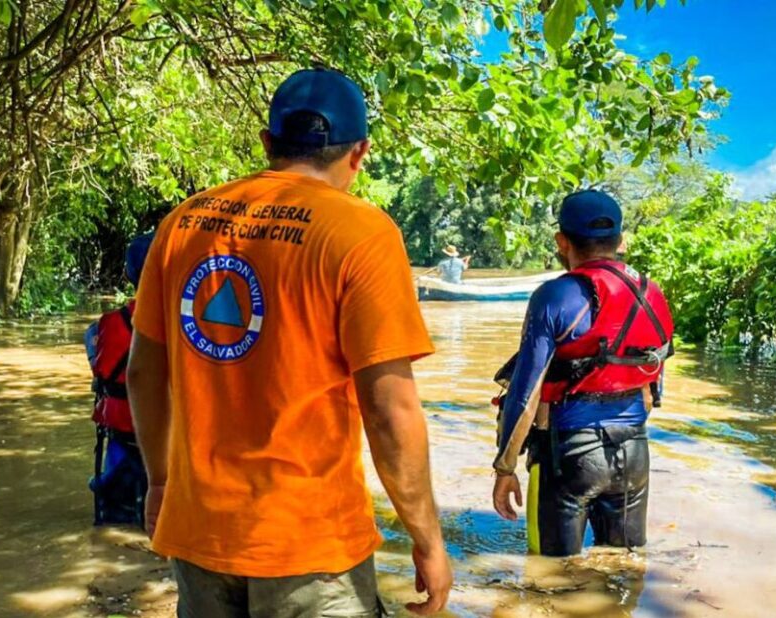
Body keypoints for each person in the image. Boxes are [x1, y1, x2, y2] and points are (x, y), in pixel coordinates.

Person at [126, 68, 452, 617]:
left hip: (200, 530)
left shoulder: (183, 223)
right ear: (360, 153)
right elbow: (389, 410)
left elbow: (142, 374)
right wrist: (428, 540)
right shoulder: (362, 233)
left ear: (268, 143)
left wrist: (160, 483)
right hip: (310, 544)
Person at [490, 189, 674, 557]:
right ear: (621, 241)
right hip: (634, 454)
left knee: (550, 574)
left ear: (562, 241)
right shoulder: (650, 294)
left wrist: (505, 468)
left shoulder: (554, 296)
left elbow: (526, 393)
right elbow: (652, 387)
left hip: (568, 458)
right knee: (623, 568)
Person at [86, 232, 154, 526]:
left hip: (119, 430)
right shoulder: (184, 325)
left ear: (127, 275)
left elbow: (99, 372)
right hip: (167, 434)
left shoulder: (102, 326)